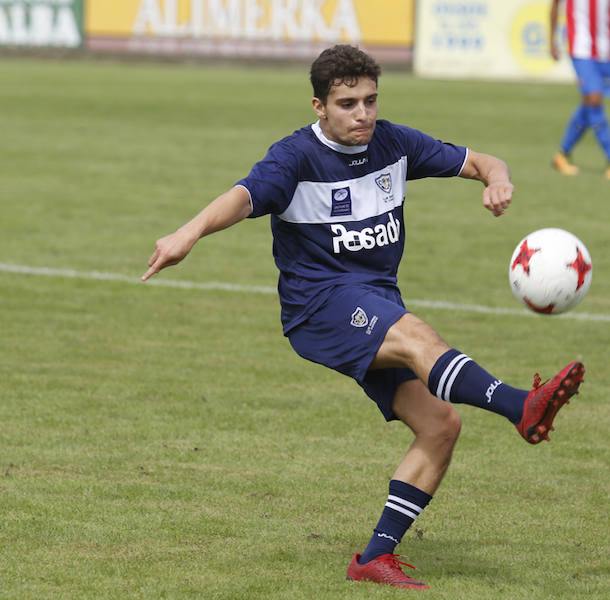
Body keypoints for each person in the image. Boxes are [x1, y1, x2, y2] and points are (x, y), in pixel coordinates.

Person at [141, 45, 584, 589]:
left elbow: (481, 161)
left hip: (375, 300)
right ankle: (522, 405)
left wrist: (498, 180)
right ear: (319, 106)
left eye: (370, 100)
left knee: (441, 424)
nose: (362, 114)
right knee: (417, 335)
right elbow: (243, 196)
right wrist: (188, 233)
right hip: (320, 306)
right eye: (347, 103)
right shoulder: (294, 158)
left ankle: (374, 558)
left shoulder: (392, 143)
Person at [550, 0, 610, 180]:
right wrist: (552, 39)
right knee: (594, 98)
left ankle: (562, 154)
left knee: (589, 103)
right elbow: (554, 5)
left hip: (606, 49)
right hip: (580, 47)